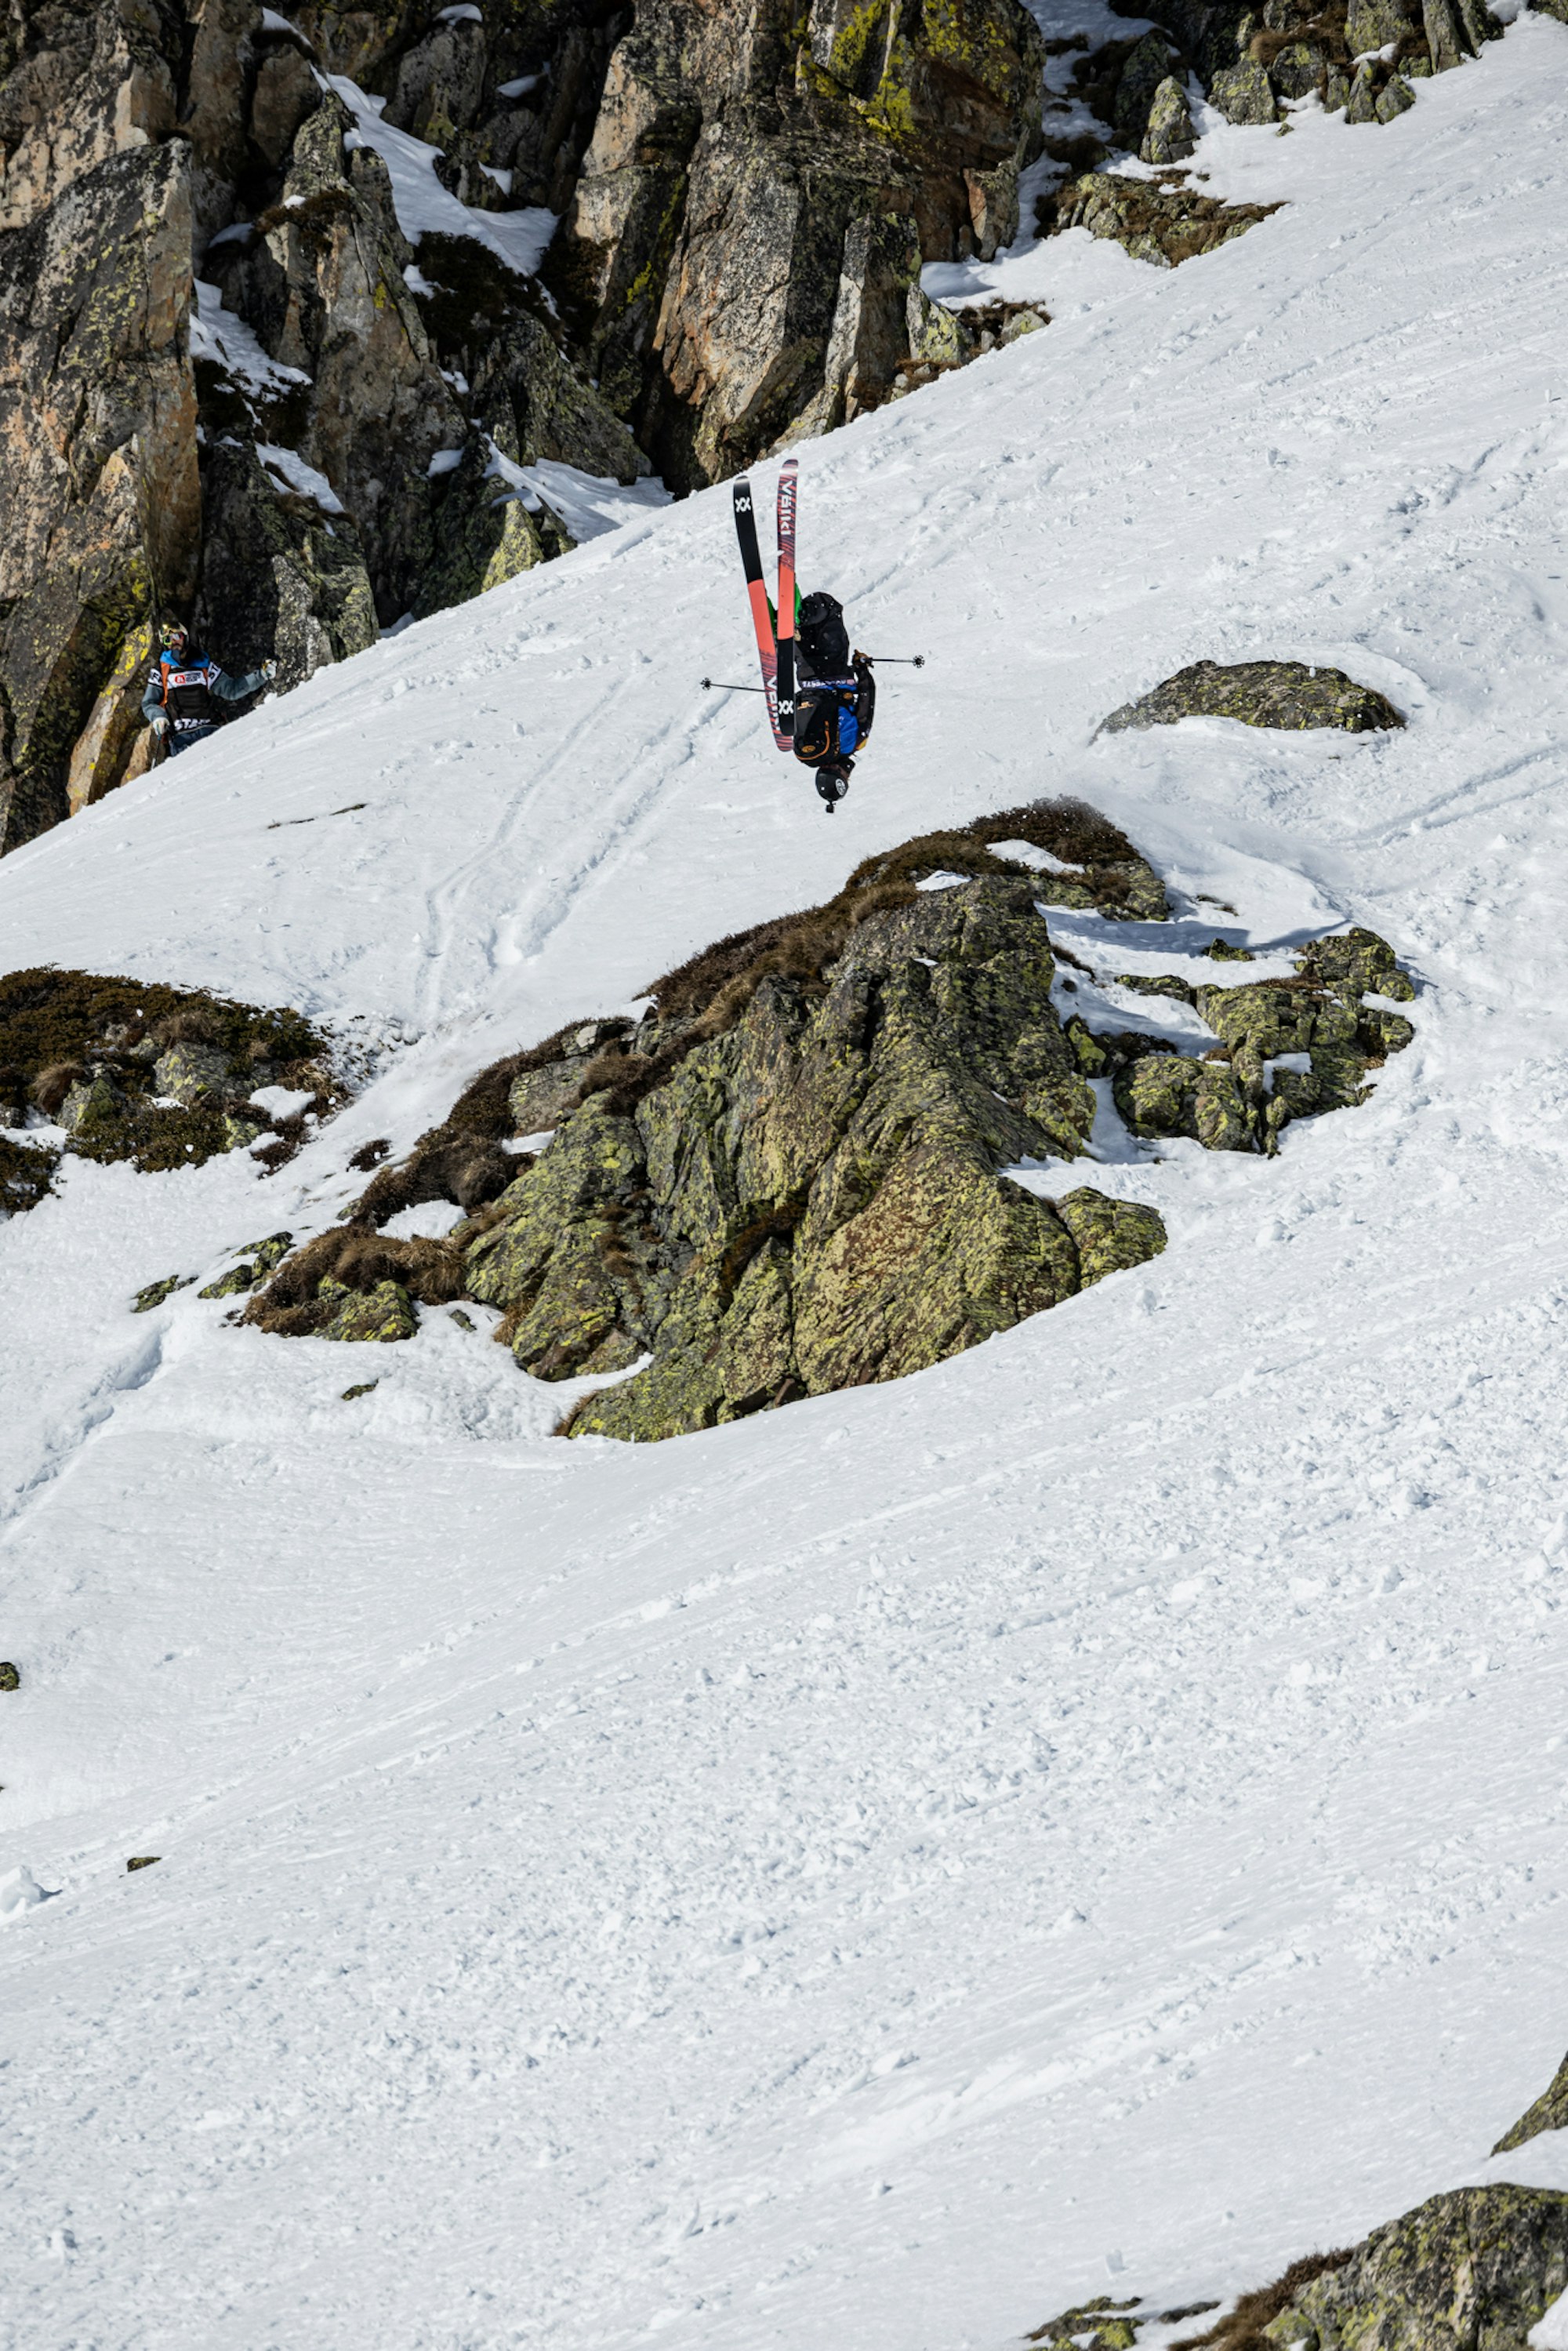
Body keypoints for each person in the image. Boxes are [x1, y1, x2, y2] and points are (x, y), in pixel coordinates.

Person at [141, 614, 277, 756]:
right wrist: (158, 717)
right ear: (164, 644)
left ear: (185, 637)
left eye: (177, 636)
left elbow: (231, 690)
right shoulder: (161, 671)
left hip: (209, 732)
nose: (174, 642)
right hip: (182, 737)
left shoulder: (203, 665)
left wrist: (261, 675)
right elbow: (149, 703)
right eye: (168, 639)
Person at [790, 590, 875, 811]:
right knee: (802, 632)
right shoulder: (805, 752)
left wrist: (861, 668)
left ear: (841, 775)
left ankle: (800, 615)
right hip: (806, 676)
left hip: (834, 669)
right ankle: (793, 623)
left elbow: (867, 698)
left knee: (829, 609)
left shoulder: (855, 742)